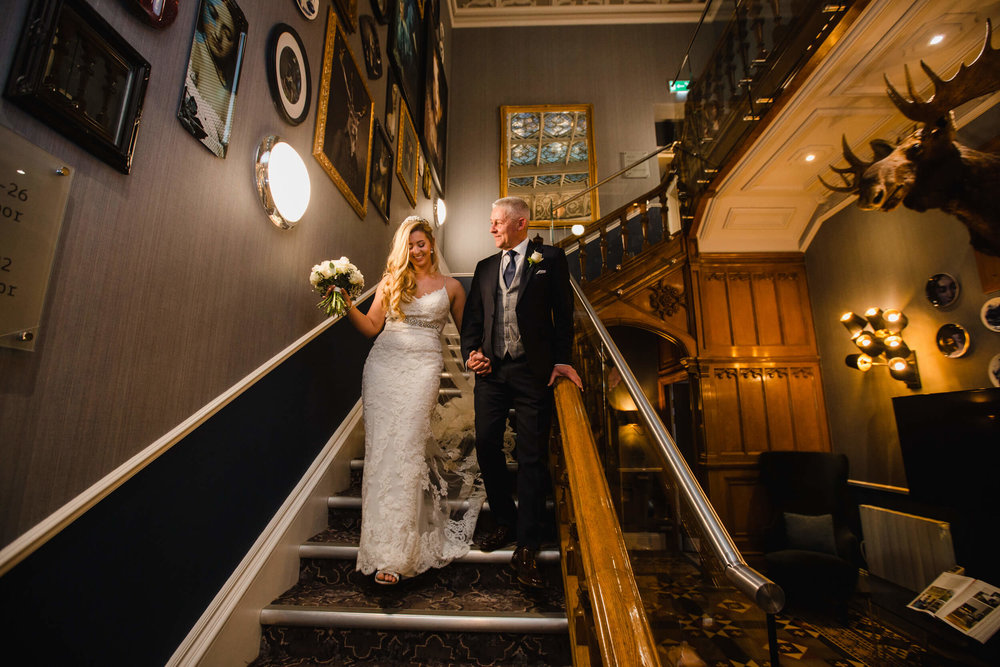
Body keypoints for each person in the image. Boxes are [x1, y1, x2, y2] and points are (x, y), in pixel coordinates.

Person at [339, 216, 480, 585]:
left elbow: (468, 337)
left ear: (431, 244)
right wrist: (344, 305)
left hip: (423, 369)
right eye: (410, 245)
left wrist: (481, 357)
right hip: (383, 366)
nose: (416, 251)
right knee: (381, 453)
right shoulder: (391, 281)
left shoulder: (452, 288)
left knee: (406, 450)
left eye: (421, 244)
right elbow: (371, 327)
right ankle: (381, 551)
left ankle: (402, 553)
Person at [461, 196, 582, 588]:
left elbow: (564, 315)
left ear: (520, 223)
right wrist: (471, 355)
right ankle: (504, 520)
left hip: (533, 373)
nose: (492, 228)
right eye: (492, 222)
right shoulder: (483, 269)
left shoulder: (550, 259)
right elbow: (472, 324)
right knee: (485, 443)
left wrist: (562, 360)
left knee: (531, 455)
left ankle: (528, 543)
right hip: (493, 373)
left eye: (498, 222)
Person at [179, 0, 244, 157]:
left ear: (235, 44)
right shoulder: (197, 47)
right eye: (213, 16)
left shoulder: (230, 95)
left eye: (228, 35)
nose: (217, 34)